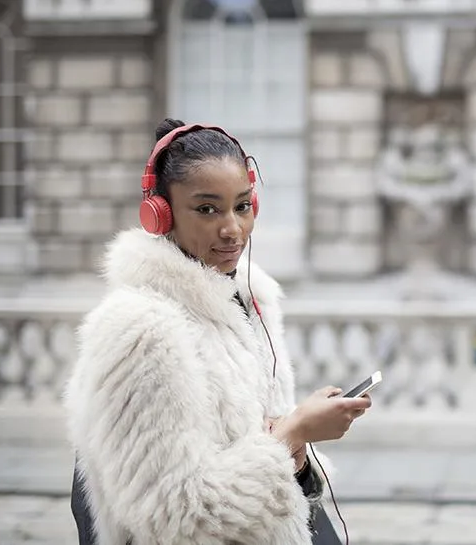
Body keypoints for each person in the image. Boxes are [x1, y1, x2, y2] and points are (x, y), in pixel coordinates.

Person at [63, 118, 372, 545]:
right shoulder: (140, 331)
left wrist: (298, 452)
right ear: (159, 215)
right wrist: (294, 432)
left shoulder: (247, 300)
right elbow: (177, 514)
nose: (233, 229)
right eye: (207, 209)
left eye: (242, 206)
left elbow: (251, 448)